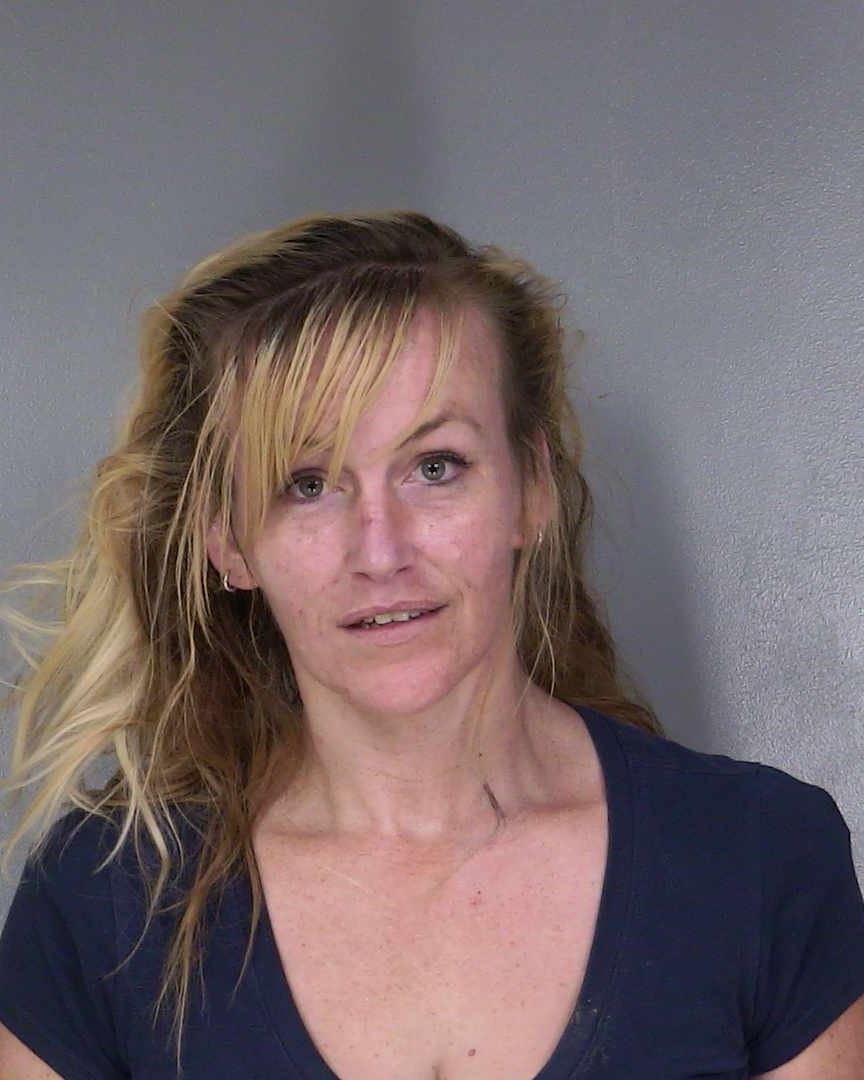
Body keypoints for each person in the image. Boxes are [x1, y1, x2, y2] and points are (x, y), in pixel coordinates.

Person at [0, 211, 862, 1080]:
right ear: (227, 540)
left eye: (435, 466)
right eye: (306, 484)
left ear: (531, 488)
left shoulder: (759, 859)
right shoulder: (104, 900)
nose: (381, 552)